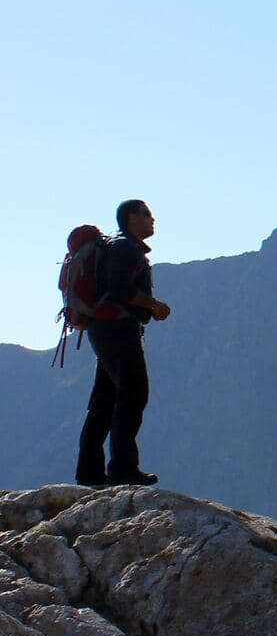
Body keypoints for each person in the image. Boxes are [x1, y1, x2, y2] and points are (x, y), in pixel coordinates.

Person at [74, 200, 172, 487]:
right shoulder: (125, 247)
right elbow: (120, 287)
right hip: (118, 329)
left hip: (105, 329)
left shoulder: (118, 247)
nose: (152, 219)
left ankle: (89, 473)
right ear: (131, 218)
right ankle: (123, 469)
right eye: (146, 214)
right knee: (133, 394)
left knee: (105, 402)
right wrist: (153, 305)